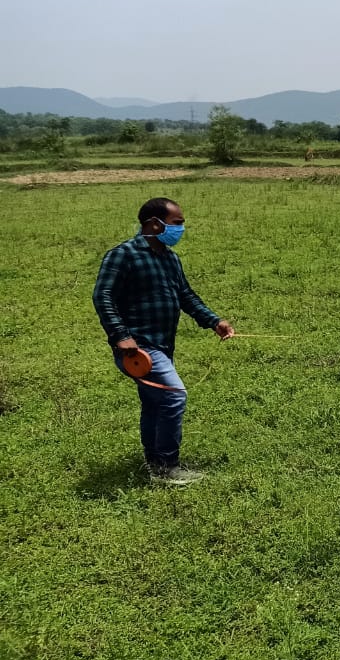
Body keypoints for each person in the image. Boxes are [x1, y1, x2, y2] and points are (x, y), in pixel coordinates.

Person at [93, 197, 235, 485]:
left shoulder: (170, 258)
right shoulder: (124, 254)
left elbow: (186, 296)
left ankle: (155, 462)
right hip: (138, 348)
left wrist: (214, 321)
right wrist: (121, 336)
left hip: (162, 345)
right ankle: (168, 466)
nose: (180, 230)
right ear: (154, 224)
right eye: (177, 224)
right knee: (173, 396)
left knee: (154, 403)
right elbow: (103, 296)